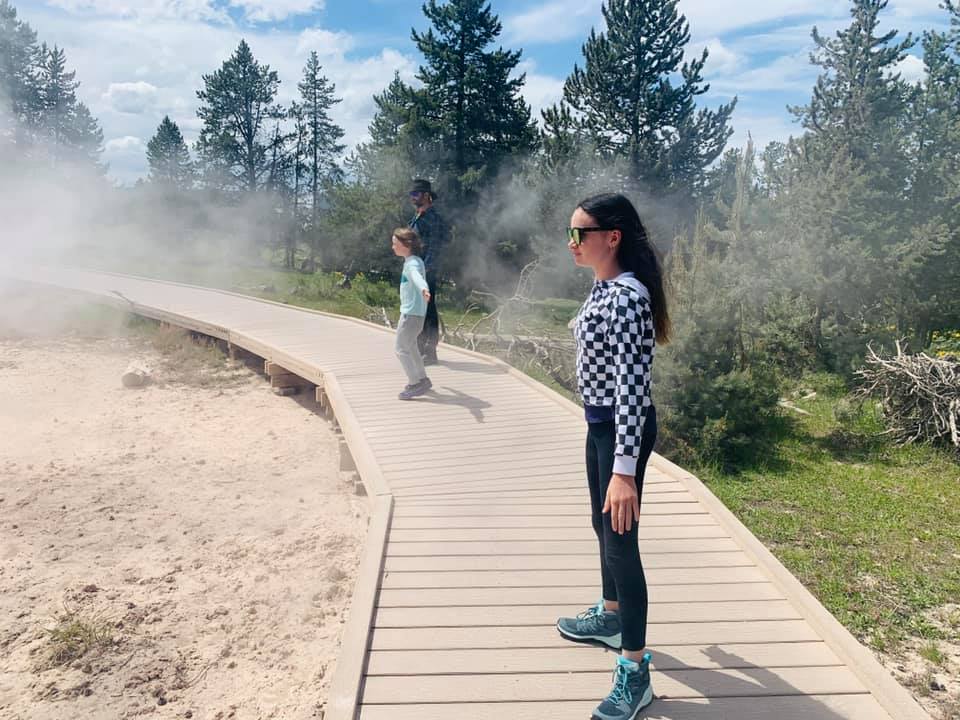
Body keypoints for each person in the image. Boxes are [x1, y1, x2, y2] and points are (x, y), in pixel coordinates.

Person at [555, 193, 672, 720]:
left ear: (612, 237)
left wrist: (624, 471)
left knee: (621, 543)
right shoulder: (605, 288)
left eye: (580, 233)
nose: (572, 242)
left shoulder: (626, 299)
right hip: (600, 425)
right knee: (603, 529)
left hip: (621, 430)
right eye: (571, 232)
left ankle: (634, 670)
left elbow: (630, 386)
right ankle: (611, 615)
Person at [407, 179, 448, 365]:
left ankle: (430, 352)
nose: (412, 198)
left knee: (428, 310)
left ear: (426, 195)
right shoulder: (417, 217)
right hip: (415, 270)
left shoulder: (434, 218)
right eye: (411, 195)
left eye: (415, 194)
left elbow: (436, 247)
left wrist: (426, 269)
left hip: (426, 271)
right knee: (417, 309)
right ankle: (418, 348)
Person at [390, 227, 433, 400]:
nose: (392, 247)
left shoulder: (412, 264)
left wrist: (424, 288)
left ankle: (415, 383)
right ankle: (423, 379)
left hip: (410, 314)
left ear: (405, 245)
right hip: (416, 314)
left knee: (400, 349)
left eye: (395, 243)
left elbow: (417, 277)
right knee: (411, 346)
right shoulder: (415, 260)